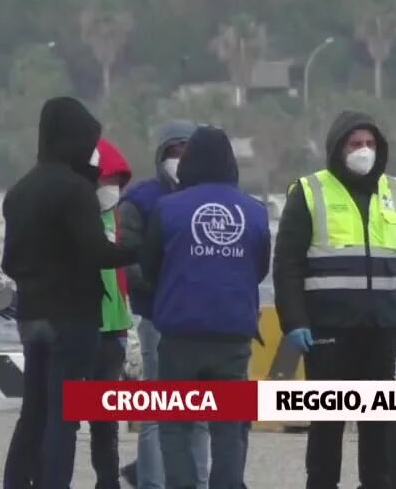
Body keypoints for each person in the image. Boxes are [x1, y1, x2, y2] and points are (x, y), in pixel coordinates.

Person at [273, 110, 396, 489]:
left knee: (379, 424)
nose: (364, 151)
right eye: (356, 144)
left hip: (382, 328)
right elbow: (287, 263)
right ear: (338, 148)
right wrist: (295, 321)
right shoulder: (309, 191)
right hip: (327, 328)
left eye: (370, 144)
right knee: (327, 424)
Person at [1, 97, 137, 489]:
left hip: (31, 315)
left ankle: (15, 482)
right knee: (65, 414)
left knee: (34, 411)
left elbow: (9, 262)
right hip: (72, 317)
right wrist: (139, 252)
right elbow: (96, 252)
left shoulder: (19, 192)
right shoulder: (75, 190)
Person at [141, 125, 271, 489]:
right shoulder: (256, 212)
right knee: (230, 427)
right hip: (233, 335)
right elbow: (258, 267)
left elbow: (150, 267)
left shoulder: (167, 209)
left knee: (176, 424)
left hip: (180, 334)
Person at [119, 120, 211, 489]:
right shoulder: (140, 200)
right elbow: (127, 259)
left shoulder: (212, 199)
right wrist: (169, 288)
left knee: (201, 411)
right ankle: (151, 484)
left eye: (186, 152)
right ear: (161, 157)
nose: (179, 160)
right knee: (157, 410)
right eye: (173, 152)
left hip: (203, 323)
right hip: (158, 318)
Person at [93, 138, 135, 489]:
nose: (112, 189)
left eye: (117, 183)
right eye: (107, 181)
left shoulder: (117, 215)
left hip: (115, 326)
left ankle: (108, 481)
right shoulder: (74, 212)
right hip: (81, 323)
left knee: (105, 417)